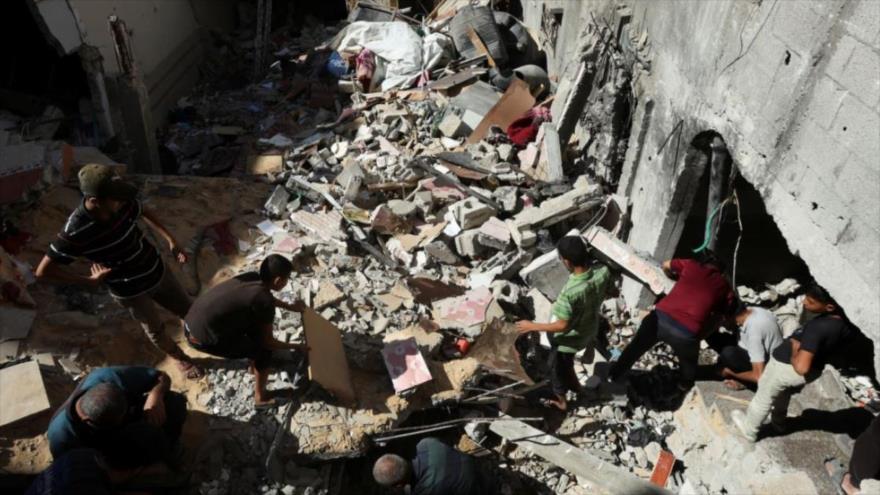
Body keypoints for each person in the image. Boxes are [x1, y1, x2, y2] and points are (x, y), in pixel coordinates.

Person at [34, 164, 201, 379]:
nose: (122, 202)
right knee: (155, 330)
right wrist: (87, 280)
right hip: (129, 289)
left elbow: (143, 210)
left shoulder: (121, 202)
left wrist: (171, 240)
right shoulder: (75, 231)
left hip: (156, 269)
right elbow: (43, 271)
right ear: (94, 200)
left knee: (188, 310)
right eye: (115, 199)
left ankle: (195, 336)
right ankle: (180, 358)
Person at [731, 284, 853, 442]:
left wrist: (795, 347)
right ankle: (779, 423)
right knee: (782, 394)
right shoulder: (843, 324)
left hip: (786, 368)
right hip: (811, 369)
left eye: (810, 301)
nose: (804, 303)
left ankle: (749, 429)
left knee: (764, 396)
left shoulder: (819, 328)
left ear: (829, 306)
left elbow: (801, 367)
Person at [184, 254, 308, 408]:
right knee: (264, 351)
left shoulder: (252, 277)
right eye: (286, 278)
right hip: (201, 338)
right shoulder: (264, 300)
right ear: (277, 281)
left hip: (192, 321)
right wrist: (297, 347)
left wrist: (290, 307)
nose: (287, 282)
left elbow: (265, 299)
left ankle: (254, 365)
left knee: (254, 326)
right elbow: (268, 341)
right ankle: (260, 398)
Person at [607, 250, 735, 391]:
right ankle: (683, 385)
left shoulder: (691, 265)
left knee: (635, 348)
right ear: (721, 270)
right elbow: (719, 317)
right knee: (689, 366)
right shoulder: (724, 287)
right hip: (686, 334)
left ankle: (614, 375)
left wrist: (673, 277)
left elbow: (666, 265)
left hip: (658, 320)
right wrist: (699, 337)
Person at [515, 236, 612, 411]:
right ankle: (578, 388)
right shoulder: (602, 271)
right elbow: (611, 291)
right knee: (567, 365)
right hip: (589, 329)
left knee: (557, 371)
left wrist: (532, 326)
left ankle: (562, 401)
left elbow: (562, 326)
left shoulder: (569, 294)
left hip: (567, 341)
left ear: (566, 262)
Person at [47, 366, 187, 469]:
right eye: (115, 422)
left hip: (124, 429)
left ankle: (169, 448)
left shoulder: (110, 377)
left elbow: (162, 377)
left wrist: (155, 396)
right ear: (87, 421)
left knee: (174, 403)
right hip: (105, 453)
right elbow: (75, 474)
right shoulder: (62, 437)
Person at [372, 437, 494, 495]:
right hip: (479, 469)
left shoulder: (425, 491)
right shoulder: (425, 444)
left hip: (480, 489)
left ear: (398, 485)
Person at [706, 302, 783, 389]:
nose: (722, 325)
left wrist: (729, 372)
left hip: (767, 365)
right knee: (710, 334)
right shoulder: (752, 311)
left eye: (722, 322)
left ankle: (746, 381)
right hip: (748, 346)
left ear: (727, 318)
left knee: (728, 354)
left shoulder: (754, 332)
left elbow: (759, 377)